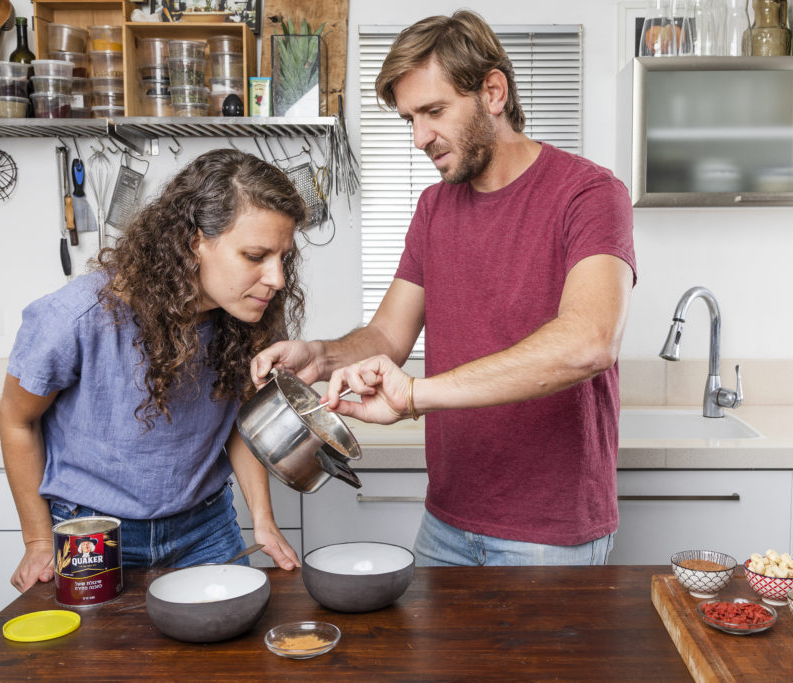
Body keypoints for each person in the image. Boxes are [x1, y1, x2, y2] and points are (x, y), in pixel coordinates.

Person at [252, 10, 637, 566]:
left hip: (549, 536)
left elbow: (590, 340)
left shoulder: (590, 195)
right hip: (446, 521)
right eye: (409, 118)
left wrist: (413, 396)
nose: (419, 137)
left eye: (433, 111)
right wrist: (317, 355)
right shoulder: (434, 208)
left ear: (494, 92)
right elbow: (388, 335)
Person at [2, 148, 304, 593]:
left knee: (225, 656)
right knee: (98, 663)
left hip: (206, 530)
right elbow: (16, 419)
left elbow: (240, 418)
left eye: (283, 257)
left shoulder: (241, 316)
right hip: (93, 535)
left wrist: (263, 520)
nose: (277, 279)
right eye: (256, 255)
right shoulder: (76, 316)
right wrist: (37, 540)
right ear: (193, 242)